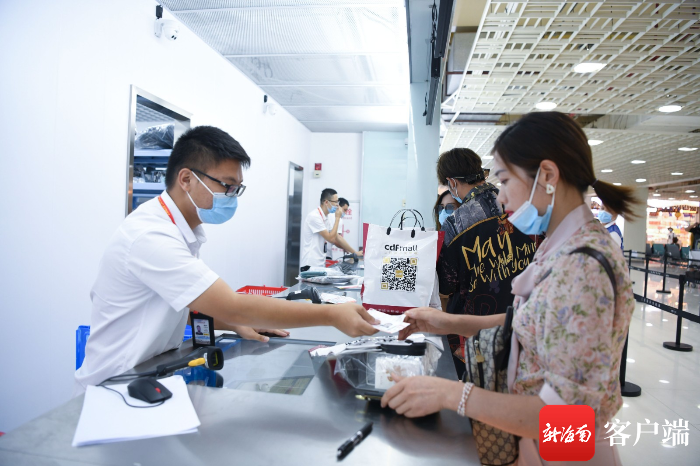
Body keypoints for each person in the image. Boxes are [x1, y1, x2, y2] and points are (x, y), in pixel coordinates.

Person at [382, 111, 637, 465]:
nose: (499, 198)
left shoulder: (583, 266)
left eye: (504, 180)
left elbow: (569, 420)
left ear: (547, 176)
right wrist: (447, 322)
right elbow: (529, 323)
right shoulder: (559, 247)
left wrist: (451, 394)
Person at [75, 126, 378, 391]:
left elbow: (182, 306)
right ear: (186, 179)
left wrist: (234, 325)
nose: (232, 195)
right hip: (115, 385)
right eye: (227, 186)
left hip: (145, 375)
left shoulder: (181, 231)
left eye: (237, 188)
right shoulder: (151, 236)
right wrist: (331, 315)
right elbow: (232, 304)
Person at [436, 148, 536, 378]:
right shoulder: (521, 207)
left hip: (476, 330)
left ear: (452, 182)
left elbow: (446, 284)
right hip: (523, 320)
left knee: (477, 387)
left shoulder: (456, 223)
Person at [300, 189, 363, 269]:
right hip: (310, 264)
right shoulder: (314, 216)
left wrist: (355, 253)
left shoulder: (326, 217)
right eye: (335, 202)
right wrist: (337, 218)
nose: (337, 205)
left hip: (320, 263)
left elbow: (337, 237)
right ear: (326, 202)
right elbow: (331, 239)